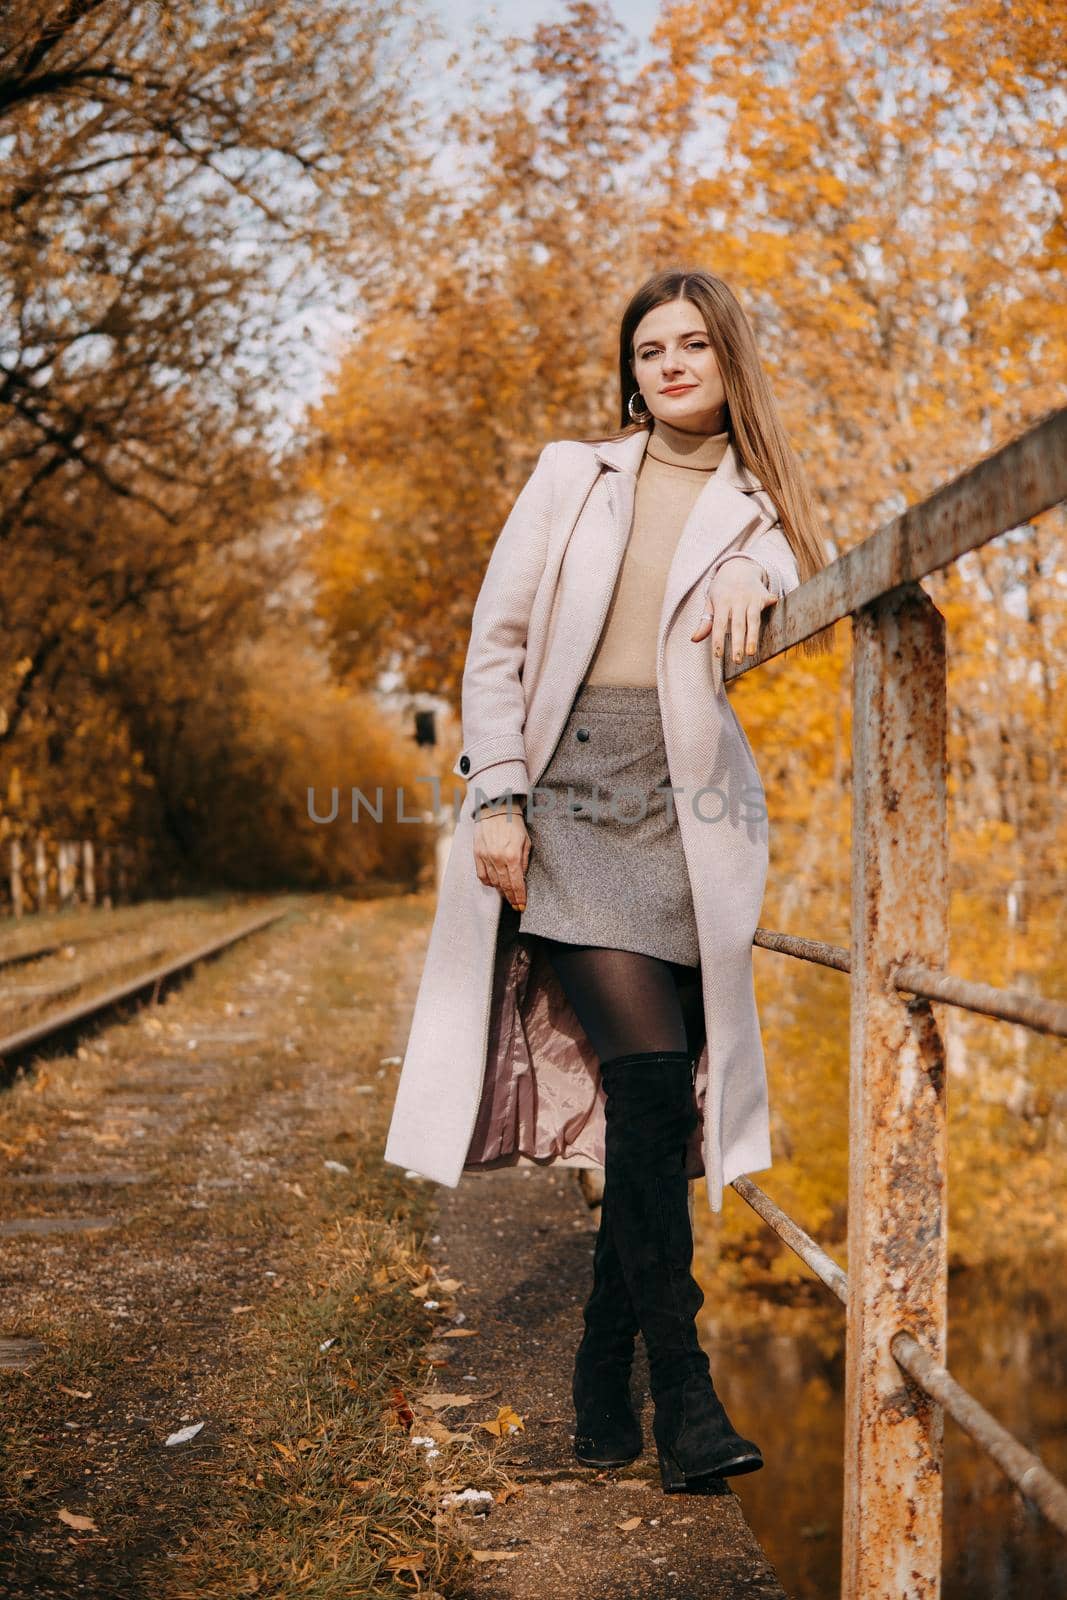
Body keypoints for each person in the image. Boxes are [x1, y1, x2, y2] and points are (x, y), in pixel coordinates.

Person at [385, 266, 832, 1493]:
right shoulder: (570, 474)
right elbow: (500, 641)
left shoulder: (761, 507)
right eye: (650, 350)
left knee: (653, 1109)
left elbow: (801, 575)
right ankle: (682, 1395)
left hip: (682, 815)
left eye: (694, 343)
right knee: (643, 1075)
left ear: (727, 356)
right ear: (628, 371)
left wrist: (759, 575)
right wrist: (497, 792)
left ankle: (598, 1362)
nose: (672, 364)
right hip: (567, 795)